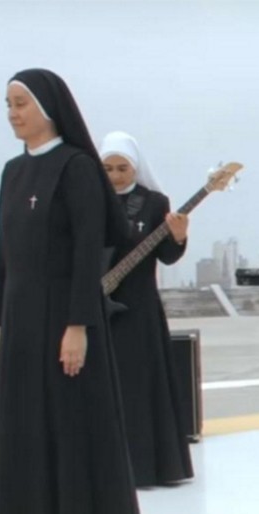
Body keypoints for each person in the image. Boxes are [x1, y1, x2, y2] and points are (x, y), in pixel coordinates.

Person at [0, 68, 140, 514]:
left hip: (66, 315)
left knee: (71, 423)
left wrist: (79, 325)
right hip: (20, 318)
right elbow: (5, 253)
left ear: (49, 109)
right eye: (8, 103)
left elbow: (85, 255)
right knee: (25, 424)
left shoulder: (75, 167)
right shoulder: (12, 171)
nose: (12, 112)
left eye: (21, 103)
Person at [99, 130, 194, 487]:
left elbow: (168, 256)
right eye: (107, 168)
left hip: (139, 312)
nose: (115, 176)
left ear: (135, 167)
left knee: (141, 388)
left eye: (122, 168)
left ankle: (147, 467)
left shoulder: (154, 202)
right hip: (99, 309)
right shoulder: (93, 199)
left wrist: (179, 236)